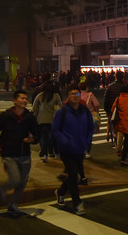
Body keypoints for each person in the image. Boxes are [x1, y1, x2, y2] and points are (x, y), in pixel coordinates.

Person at [0, 90, 39, 216]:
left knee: (22, 182)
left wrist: (33, 139)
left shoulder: (30, 117)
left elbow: (37, 133)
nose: (24, 100)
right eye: (21, 98)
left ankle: (13, 204)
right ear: (14, 100)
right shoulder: (5, 116)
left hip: (24, 153)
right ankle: (3, 187)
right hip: (9, 153)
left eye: (25, 98)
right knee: (16, 179)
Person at [52, 84, 94, 215]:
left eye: (77, 94)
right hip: (66, 150)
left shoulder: (85, 111)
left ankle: (61, 192)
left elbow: (90, 128)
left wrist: (87, 142)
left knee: (72, 175)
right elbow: (55, 130)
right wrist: (64, 140)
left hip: (80, 148)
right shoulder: (62, 112)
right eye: (72, 94)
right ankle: (77, 203)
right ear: (67, 97)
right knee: (74, 175)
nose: (75, 96)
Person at [32, 81, 62, 162]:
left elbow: (34, 108)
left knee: (44, 138)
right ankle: (57, 153)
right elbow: (61, 107)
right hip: (53, 120)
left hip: (41, 120)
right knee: (54, 137)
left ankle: (44, 154)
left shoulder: (40, 96)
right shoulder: (56, 96)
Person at [104, 70, 128, 144]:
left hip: (112, 108)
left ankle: (114, 138)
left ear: (116, 77)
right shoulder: (125, 86)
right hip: (123, 108)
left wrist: (106, 110)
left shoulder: (110, 86)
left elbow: (106, 99)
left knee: (113, 124)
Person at [80, 80, 100, 159]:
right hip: (89, 116)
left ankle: (81, 150)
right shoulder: (90, 95)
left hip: (79, 116)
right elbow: (97, 104)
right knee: (89, 134)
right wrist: (96, 111)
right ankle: (87, 152)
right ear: (86, 88)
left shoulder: (77, 94)